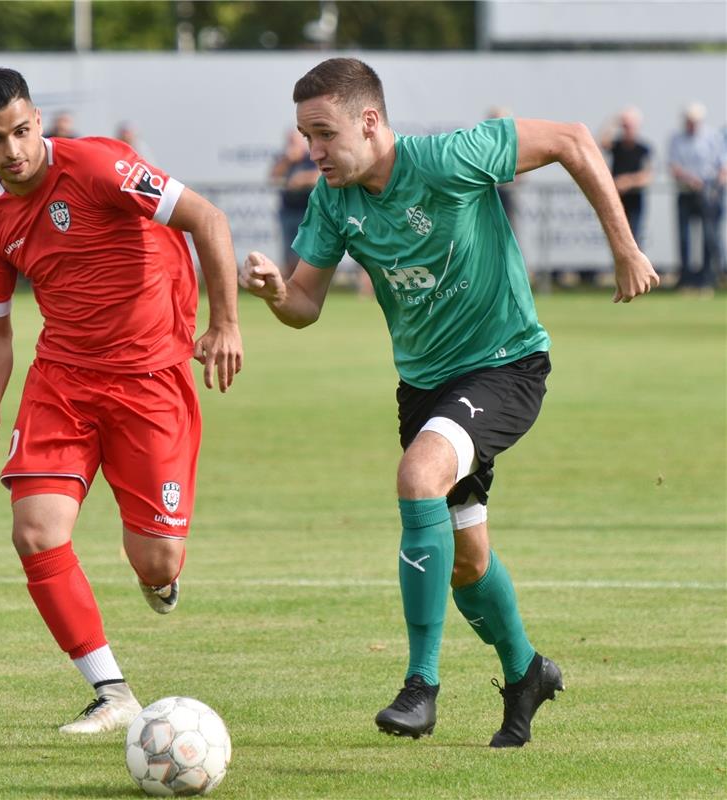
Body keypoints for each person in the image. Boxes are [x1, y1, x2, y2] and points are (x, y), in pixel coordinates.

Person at [240, 58, 658, 748]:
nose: (311, 151)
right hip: (425, 389)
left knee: (417, 478)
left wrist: (623, 249)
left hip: (504, 366)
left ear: (369, 123)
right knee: (464, 564)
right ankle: (526, 672)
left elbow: (574, 140)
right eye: (302, 135)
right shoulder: (332, 200)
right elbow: (305, 304)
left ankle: (419, 686)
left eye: (323, 133)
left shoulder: (449, 157)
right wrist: (274, 293)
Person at [0, 68, 243, 734]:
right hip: (63, 383)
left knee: (156, 560)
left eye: (23, 131)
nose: (15, 150)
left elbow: (207, 218)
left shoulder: (99, 166)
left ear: (39, 121)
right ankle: (112, 692)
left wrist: (225, 323)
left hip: (150, 384)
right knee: (33, 531)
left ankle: (161, 576)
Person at [668, 102, 727, 294]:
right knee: (684, 237)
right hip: (686, 192)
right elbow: (674, 166)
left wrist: (715, 185)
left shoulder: (713, 137)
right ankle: (685, 279)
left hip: (709, 194)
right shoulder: (676, 138)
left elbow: (722, 165)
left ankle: (707, 279)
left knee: (709, 237)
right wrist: (690, 179)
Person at [269, 128, 320, 277]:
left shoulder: (312, 157)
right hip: (287, 212)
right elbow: (273, 177)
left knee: (307, 253)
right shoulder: (283, 159)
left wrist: (302, 179)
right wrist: (287, 161)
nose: (292, 144)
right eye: (289, 141)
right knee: (288, 254)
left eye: (295, 140)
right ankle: (290, 285)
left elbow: (321, 176)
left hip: (308, 212)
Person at [599, 107, 653, 245]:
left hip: (635, 200)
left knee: (634, 239)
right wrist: (614, 122)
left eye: (630, 126)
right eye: (625, 126)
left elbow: (647, 175)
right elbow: (600, 143)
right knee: (617, 240)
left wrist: (627, 181)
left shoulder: (643, 149)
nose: (627, 130)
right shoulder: (616, 146)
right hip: (617, 199)